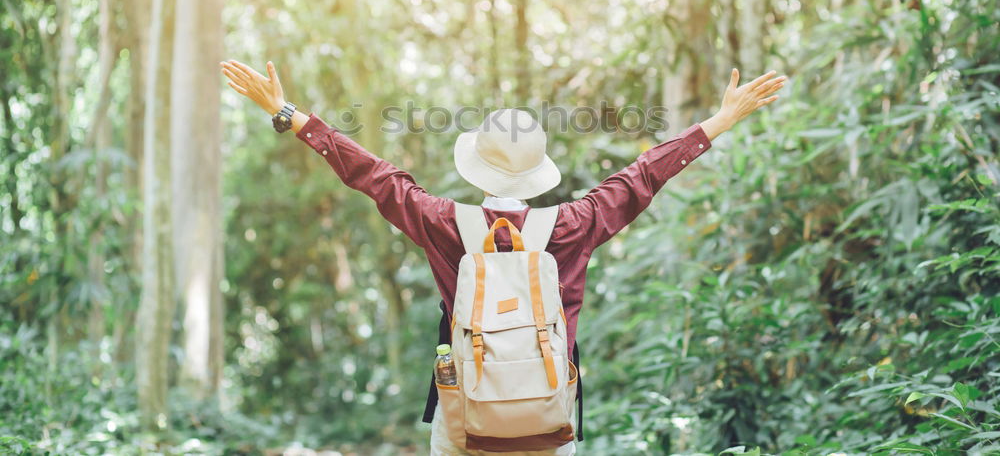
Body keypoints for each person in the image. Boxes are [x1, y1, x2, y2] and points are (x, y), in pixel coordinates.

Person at [220, 59, 787, 455]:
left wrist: (289, 114)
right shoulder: (572, 224)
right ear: (538, 173)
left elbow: (375, 177)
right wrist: (721, 120)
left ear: (478, 168)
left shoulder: (446, 224)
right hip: (546, 409)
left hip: (465, 410)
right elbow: (641, 177)